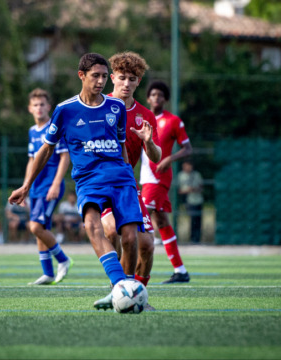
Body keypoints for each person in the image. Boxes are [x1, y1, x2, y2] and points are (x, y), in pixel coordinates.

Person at [9, 53, 143, 304]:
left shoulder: (116, 108)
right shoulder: (64, 110)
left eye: (105, 76)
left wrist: (130, 178)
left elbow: (123, 146)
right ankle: (122, 288)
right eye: (96, 76)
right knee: (92, 226)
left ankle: (128, 287)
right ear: (81, 76)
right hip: (88, 179)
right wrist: (26, 185)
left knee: (130, 237)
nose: (101, 81)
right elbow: (46, 149)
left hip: (120, 177)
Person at [94, 51, 162, 311]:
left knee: (146, 245)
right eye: (121, 77)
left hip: (127, 184)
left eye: (131, 79)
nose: (126, 83)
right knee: (111, 231)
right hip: (101, 183)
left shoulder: (145, 115)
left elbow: (155, 157)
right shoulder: (98, 108)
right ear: (112, 78)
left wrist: (149, 141)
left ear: (138, 81)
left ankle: (138, 295)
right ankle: (117, 289)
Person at [140, 80, 193, 284]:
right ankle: (180, 270)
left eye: (160, 95)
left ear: (165, 99)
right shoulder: (142, 119)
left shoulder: (173, 121)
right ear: (148, 98)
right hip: (146, 176)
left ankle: (133, 272)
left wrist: (169, 158)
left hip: (159, 177)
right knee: (161, 222)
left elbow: (188, 149)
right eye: (153, 94)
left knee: (140, 217)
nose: (156, 97)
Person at [21, 87, 72, 285]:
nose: (39, 108)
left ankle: (63, 260)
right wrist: (25, 187)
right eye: (35, 105)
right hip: (35, 187)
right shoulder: (32, 131)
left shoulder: (54, 127)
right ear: (29, 109)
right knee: (42, 228)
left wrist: (57, 184)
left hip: (50, 186)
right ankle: (48, 273)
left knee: (35, 226)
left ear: (49, 106)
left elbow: (64, 157)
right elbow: (31, 161)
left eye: (42, 104)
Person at [178, 160, 204, 244]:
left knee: (198, 220)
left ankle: (196, 239)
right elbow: (177, 190)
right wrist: (186, 191)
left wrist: (194, 189)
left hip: (197, 200)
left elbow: (201, 187)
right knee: (191, 220)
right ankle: (189, 239)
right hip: (187, 201)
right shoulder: (180, 176)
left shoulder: (196, 175)